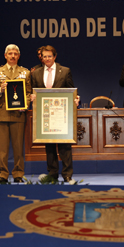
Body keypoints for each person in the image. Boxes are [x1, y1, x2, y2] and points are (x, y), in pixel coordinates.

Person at [30, 45, 80, 182]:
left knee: (65, 145)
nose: (47, 59)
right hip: (45, 114)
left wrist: (76, 98)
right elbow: (33, 91)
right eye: (44, 56)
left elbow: (71, 89)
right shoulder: (36, 73)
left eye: (49, 56)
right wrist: (32, 97)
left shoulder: (64, 71)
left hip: (61, 114)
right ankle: (52, 174)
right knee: (49, 145)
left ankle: (67, 174)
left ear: (55, 57)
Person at [0, 44, 31, 183]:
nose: (13, 56)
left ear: (19, 56)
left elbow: (29, 93)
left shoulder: (26, 72)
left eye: (15, 54)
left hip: (18, 113)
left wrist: (26, 104)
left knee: (18, 147)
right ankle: (2, 174)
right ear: (5, 55)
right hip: (2, 112)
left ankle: (18, 174)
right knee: (2, 148)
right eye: (10, 53)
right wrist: (0, 89)